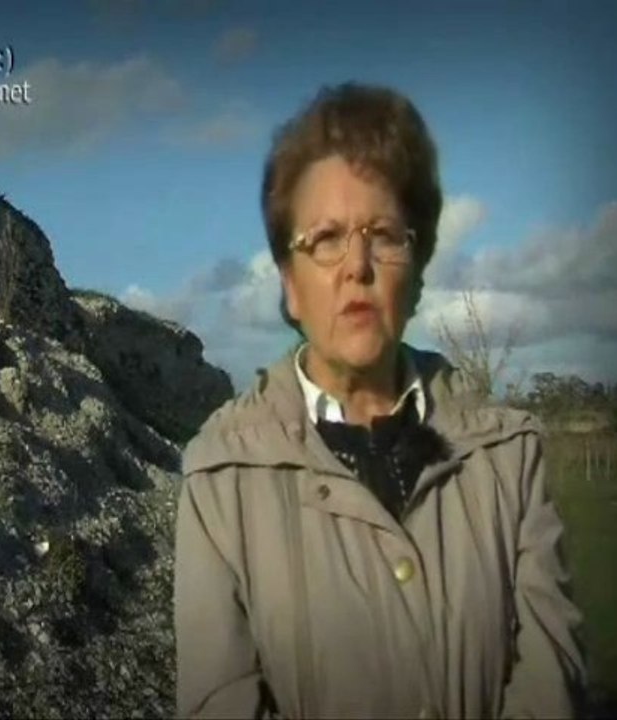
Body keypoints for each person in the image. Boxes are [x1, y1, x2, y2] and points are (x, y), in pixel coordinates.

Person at [173, 83, 586, 719]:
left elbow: (553, 688)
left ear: (417, 272)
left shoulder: (511, 456)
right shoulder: (218, 478)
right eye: (327, 237)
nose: (357, 265)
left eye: (384, 234)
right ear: (289, 283)